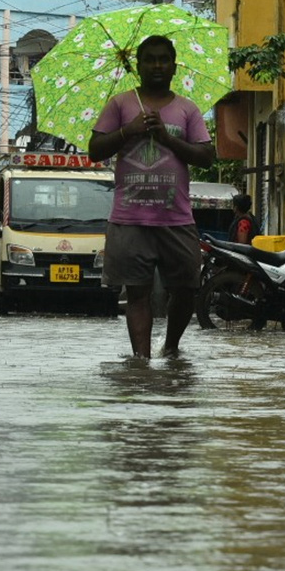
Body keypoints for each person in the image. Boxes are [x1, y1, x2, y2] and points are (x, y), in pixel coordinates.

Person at [89, 35, 215, 359]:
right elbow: (94, 150)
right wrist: (127, 131)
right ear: (138, 66)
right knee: (137, 294)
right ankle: (141, 363)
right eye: (150, 59)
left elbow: (206, 156)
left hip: (176, 217)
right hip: (130, 217)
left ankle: (170, 348)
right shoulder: (120, 104)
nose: (157, 65)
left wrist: (166, 138)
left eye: (163, 59)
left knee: (187, 288)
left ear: (174, 66)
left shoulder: (188, 109)